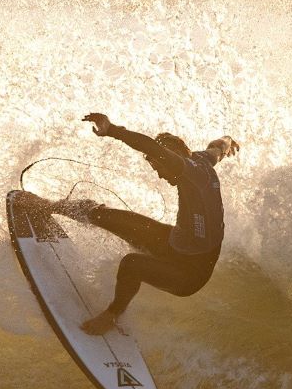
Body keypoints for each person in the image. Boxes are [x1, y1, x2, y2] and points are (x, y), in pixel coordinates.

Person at [43, 112, 239, 335]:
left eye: (158, 167)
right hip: (175, 242)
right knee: (103, 215)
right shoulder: (201, 160)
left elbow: (149, 146)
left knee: (131, 264)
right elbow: (218, 147)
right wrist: (229, 142)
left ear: (170, 159)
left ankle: (112, 315)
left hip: (190, 273)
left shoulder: (185, 168)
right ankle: (47, 206)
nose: (159, 176)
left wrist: (113, 130)